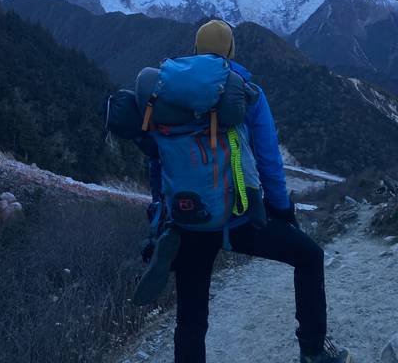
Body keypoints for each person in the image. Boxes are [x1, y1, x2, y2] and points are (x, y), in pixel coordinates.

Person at [133, 19, 352, 363]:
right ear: (231, 52)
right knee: (309, 256)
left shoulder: (165, 96)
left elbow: (157, 162)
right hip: (239, 219)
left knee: (191, 318)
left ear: (195, 50)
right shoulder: (246, 92)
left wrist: (161, 215)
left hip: (188, 220)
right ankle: (313, 351)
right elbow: (268, 160)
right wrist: (281, 210)